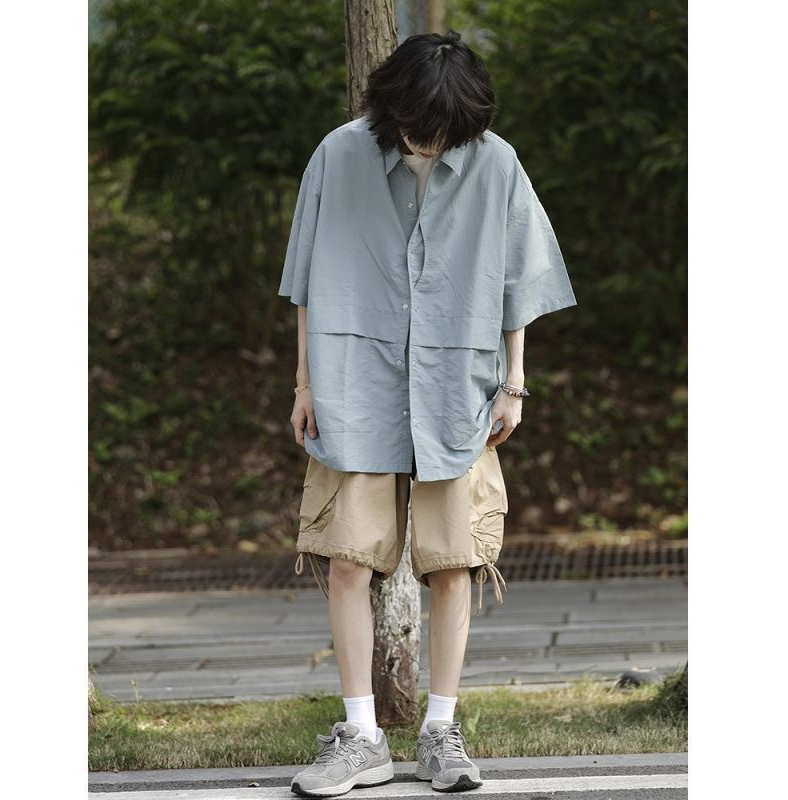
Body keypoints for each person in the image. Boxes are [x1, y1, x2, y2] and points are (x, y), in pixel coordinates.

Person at [278, 29, 576, 797]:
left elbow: (519, 281)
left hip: (459, 382)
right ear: (390, 107)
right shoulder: (337, 155)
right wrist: (304, 382)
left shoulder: (496, 163)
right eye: (419, 127)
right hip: (354, 377)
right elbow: (306, 279)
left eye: (446, 132)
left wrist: (514, 383)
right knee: (348, 557)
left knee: (453, 561)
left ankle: (441, 730)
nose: (430, 142)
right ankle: (361, 736)